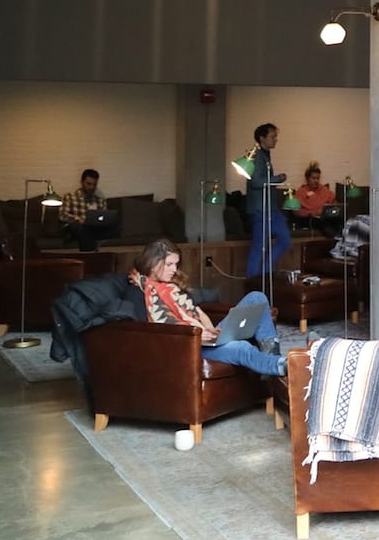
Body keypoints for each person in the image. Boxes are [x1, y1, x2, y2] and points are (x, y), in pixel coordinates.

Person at [128, 239, 287, 377]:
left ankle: (271, 355)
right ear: (153, 264)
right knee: (241, 348)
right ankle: (282, 366)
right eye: (169, 264)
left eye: (176, 264)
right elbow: (160, 330)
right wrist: (196, 335)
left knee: (257, 298)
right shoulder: (144, 291)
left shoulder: (172, 287)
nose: (174, 269)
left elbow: (198, 312)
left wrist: (211, 330)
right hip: (189, 345)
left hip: (204, 337)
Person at [245, 123, 291, 278]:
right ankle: (253, 282)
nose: (275, 139)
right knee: (259, 247)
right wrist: (277, 179)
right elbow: (256, 182)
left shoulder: (265, 155)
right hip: (260, 209)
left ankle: (265, 272)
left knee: (285, 240)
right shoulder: (256, 156)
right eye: (272, 137)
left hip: (270, 208)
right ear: (262, 138)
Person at [59, 168, 113, 252]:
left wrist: (100, 221)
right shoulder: (70, 197)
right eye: (89, 184)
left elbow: (104, 218)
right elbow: (62, 215)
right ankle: (91, 253)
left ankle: (90, 253)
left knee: (110, 228)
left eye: (94, 184)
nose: (92, 187)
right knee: (79, 227)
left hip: (93, 229)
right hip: (75, 228)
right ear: (82, 182)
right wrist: (79, 219)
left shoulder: (100, 200)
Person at [291, 161, 335, 226]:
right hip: (310, 219)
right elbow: (296, 211)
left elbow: (334, 203)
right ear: (307, 179)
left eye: (318, 178)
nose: (316, 181)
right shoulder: (301, 192)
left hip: (326, 217)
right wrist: (312, 213)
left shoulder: (324, 189)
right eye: (313, 178)